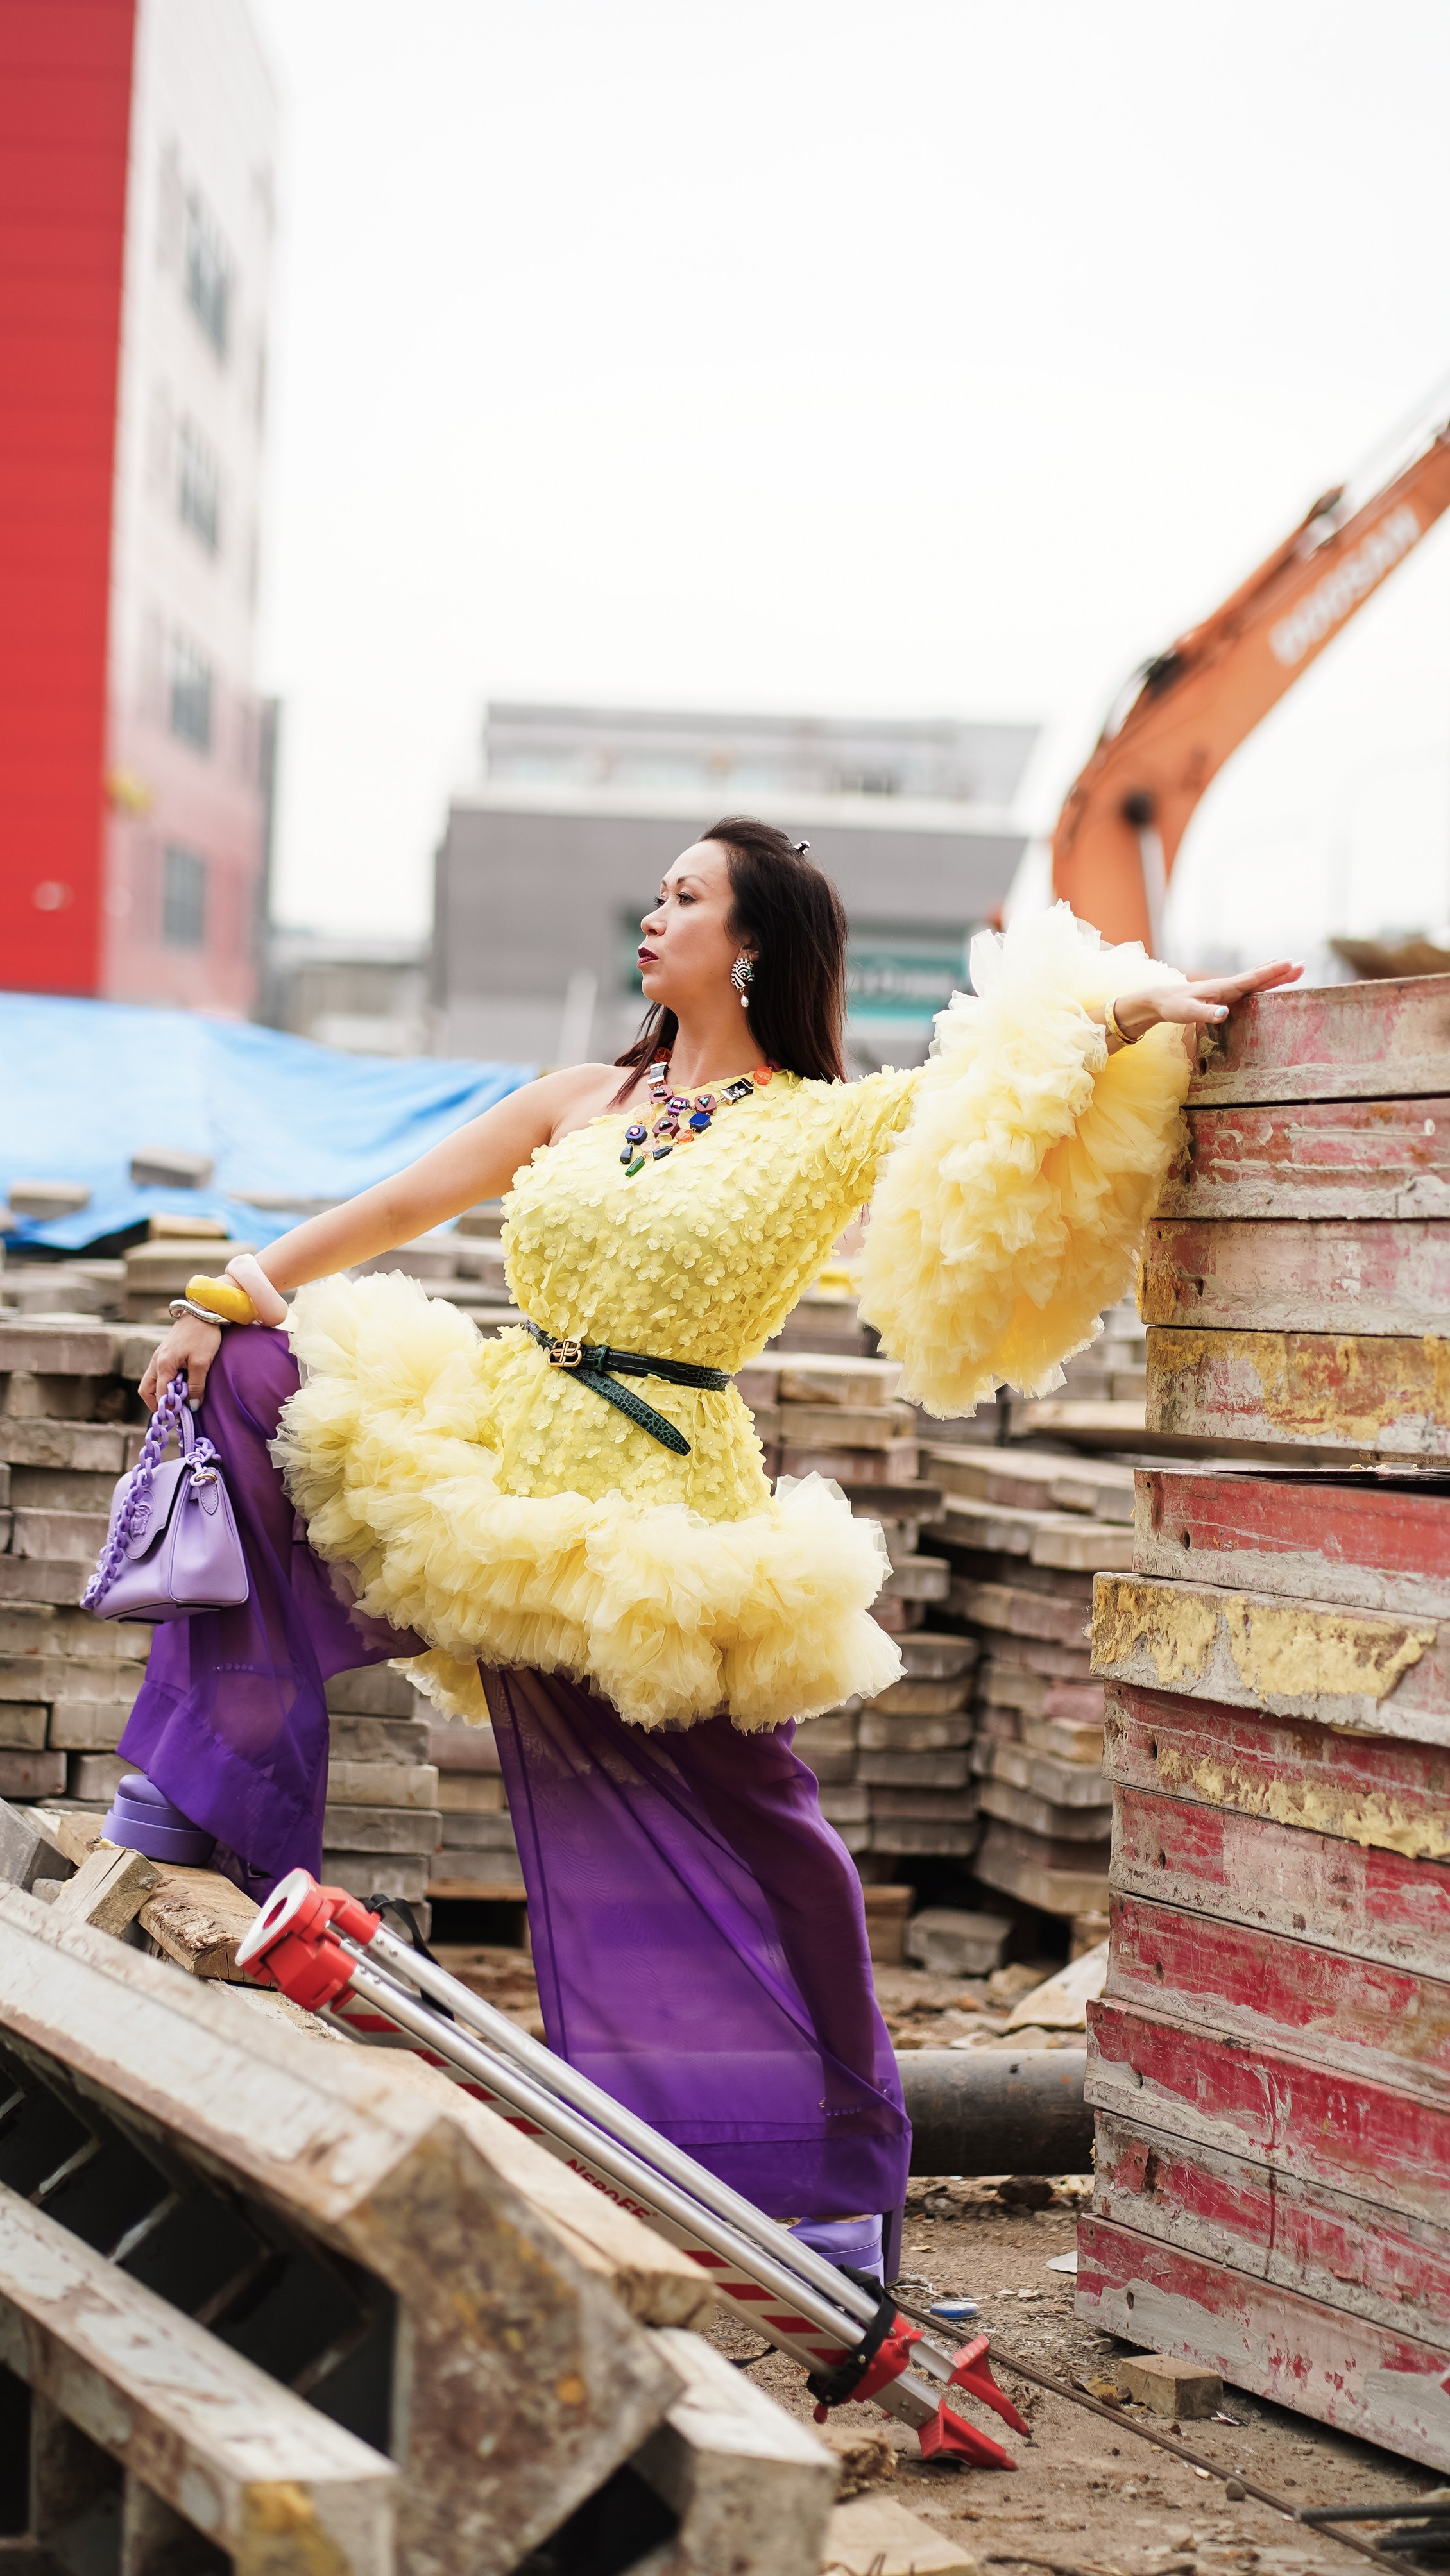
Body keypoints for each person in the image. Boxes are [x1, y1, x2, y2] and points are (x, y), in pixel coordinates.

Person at [123, 818, 1299, 2272]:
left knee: (764, 1834)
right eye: (657, 891)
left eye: (688, 896)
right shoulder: (576, 1098)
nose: (655, 912)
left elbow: (978, 1088)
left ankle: (829, 2187)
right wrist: (223, 1292)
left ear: (749, 943)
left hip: (659, 1517)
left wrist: (1126, 1006)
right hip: (491, 1459)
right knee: (254, 1382)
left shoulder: (818, 1121)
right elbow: (396, 1206)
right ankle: (193, 1803)